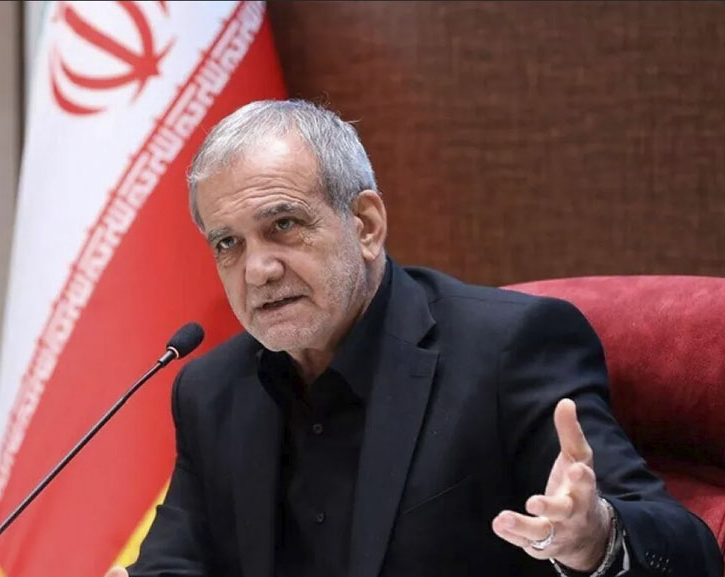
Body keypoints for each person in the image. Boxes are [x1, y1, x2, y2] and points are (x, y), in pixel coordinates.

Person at [106, 100, 723, 577]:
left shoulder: (509, 350)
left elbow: (690, 553)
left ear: (366, 224)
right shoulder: (212, 388)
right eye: (228, 243)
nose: (257, 269)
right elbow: (174, 563)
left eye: (284, 224)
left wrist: (597, 539)